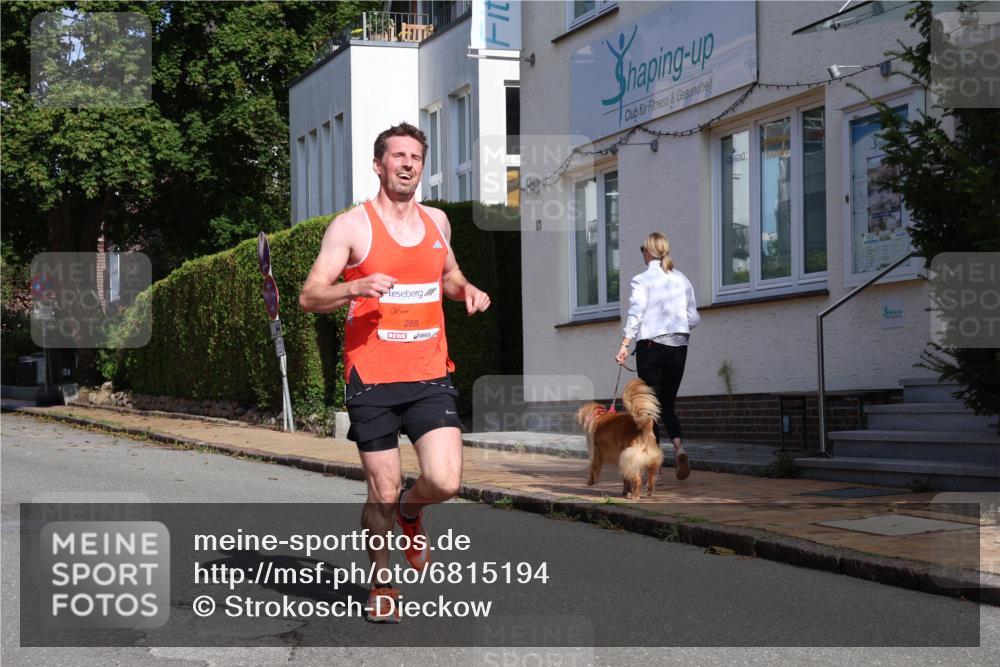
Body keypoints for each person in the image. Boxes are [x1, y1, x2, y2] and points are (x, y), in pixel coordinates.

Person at [299, 122, 490, 622]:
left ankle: (411, 509)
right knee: (379, 490)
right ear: (378, 164)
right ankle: (382, 581)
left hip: (429, 371)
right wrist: (352, 289)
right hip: (372, 378)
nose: (408, 164)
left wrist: (465, 290)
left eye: (416, 157)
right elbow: (308, 294)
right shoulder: (351, 227)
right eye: (398, 156)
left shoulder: (439, 223)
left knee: (445, 481)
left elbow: (447, 275)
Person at [615, 232, 699, 482]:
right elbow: (693, 317)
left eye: (643, 249)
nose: (642, 252)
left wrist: (624, 343)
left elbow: (636, 312)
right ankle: (679, 448)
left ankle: (656, 467)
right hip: (678, 346)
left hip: (651, 347)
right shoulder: (681, 278)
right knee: (668, 404)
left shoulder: (642, 279)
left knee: (650, 408)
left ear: (648, 252)